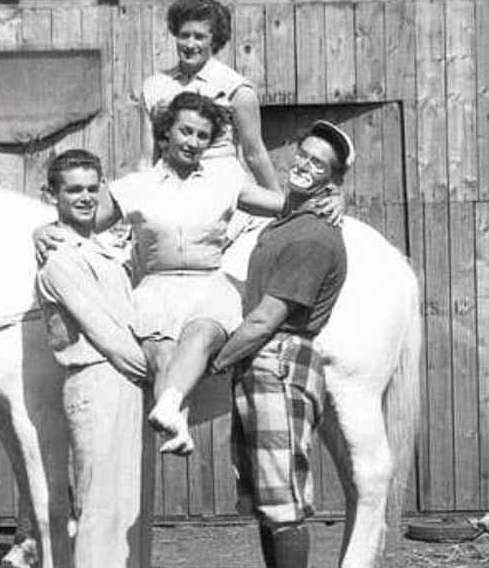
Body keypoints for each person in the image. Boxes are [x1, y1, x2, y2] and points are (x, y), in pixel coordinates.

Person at [37, 92, 341, 455]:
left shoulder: (224, 181)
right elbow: (80, 222)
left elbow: (288, 206)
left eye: (202, 135)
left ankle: (169, 409)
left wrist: (336, 194)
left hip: (208, 283)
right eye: (186, 131)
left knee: (203, 331)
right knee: (160, 352)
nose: (193, 142)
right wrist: (41, 230)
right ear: (166, 134)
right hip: (155, 286)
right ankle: (175, 422)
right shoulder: (135, 186)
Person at [209, 121, 353, 568]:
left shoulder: (312, 236)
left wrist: (211, 362)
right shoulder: (288, 219)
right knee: (268, 501)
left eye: (319, 164)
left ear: (332, 180)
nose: (305, 165)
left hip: (280, 359)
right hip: (265, 361)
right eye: (304, 155)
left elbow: (266, 319)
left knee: (283, 501)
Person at [35, 148, 149, 568]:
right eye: (73, 190)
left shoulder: (102, 246)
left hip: (124, 381)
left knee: (128, 503)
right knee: (99, 506)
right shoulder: (59, 260)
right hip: (96, 378)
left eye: (91, 188)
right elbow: (107, 334)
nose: (84, 197)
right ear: (53, 196)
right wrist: (158, 372)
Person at [141, 0, 280, 193]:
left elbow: (254, 154)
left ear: (214, 41)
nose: (190, 44)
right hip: (169, 188)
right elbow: (146, 158)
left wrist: (281, 204)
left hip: (222, 187)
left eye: (199, 37)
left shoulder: (235, 88)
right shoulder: (154, 86)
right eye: (184, 35)